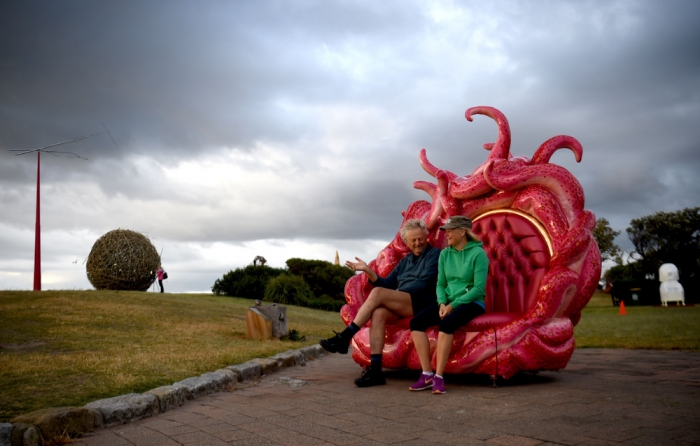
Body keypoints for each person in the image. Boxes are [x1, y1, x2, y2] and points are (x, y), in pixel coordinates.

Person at [320, 219, 440, 387]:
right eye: (413, 240)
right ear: (407, 242)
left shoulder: (435, 255)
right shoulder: (405, 262)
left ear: (426, 237)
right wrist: (368, 270)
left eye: (420, 239)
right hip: (403, 301)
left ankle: (344, 337)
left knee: (378, 294)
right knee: (378, 313)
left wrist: (392, 295)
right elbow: (387, 285)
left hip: (422, 301)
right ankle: (376, 371)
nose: (418, 243)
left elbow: (425, 283)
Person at [408, 215, 489, 394]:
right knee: (416, 323)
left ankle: (439, 377)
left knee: (447, 324)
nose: (447, 233)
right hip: (448, 302)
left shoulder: (478, 254)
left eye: (450, 230)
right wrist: (442, 303)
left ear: (462, 231)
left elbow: (478, 288)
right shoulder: (445, 253)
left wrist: (453, 306)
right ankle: (426, 374)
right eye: (446, 230)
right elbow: (441, 284)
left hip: (472, 302)